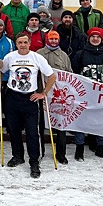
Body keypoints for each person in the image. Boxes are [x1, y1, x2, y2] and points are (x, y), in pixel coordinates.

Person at [0, 32, 56, 178]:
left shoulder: (37, 57)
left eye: (25, 42)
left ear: (29, 43)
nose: (22, 45)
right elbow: (2, 70)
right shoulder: (10, 57)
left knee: (32, 133)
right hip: (12, 97)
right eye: (20, 42)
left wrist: (43, 93)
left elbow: (51, 76)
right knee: (13, 130)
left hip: (30, 99)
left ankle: (34, 162)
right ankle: (18, 156)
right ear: (16, 44)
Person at [71, 27, 103, 163]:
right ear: (89, 38)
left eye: (98, 37)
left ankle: (101, 147)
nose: (95, 39)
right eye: (93, 36)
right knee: (81, 120)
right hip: (84, 95)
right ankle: (80, 147)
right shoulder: (80, 54)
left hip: (102, 95)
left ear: (101, 39)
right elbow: (73, 75)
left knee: (102, 120)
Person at [36, 31, 73, 165]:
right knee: (40, 124)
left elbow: (70, 75)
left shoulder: (64, 56)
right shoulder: (39, 54)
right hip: (42, 94)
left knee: (60, 126)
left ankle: (61, 154)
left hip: (58, 98)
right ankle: (40, 151)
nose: (53, 41)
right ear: (47, 39)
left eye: (55, 38)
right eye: (51, 38)